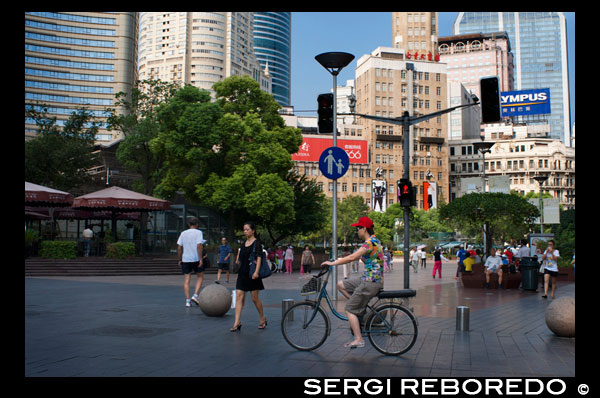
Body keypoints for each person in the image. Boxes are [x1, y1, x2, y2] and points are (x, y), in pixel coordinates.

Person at [320, 216, 384, 349]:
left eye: (358, 228)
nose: (357, 231)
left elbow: (352, 257)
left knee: (348, 309)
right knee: (340, 284)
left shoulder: (370, 242)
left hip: (370, 282)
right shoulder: (374, 241)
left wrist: (333, 263)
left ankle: (359, 339)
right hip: (368, 279)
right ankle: (358, 307)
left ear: (364, 229)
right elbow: (365, 258)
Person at [230, 222, 267, 332]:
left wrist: (256, 272)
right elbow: (241, 257)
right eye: (244, 229)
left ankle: (262, 318)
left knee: (254, 298)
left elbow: (259, 258)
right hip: (242, 273)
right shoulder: (243, 243)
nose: (245, 231)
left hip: (253, 274)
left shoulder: (257, 243)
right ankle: (237, 322)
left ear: (253, 230)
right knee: (239, 295)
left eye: (247, 229)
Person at [176, 217, 205, 307]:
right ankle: (195, 295)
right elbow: (199, 246)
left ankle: (187, 301)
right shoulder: (199, 232)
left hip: (185, 259)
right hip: (195, 258)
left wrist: (180, 259)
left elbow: (179, 247)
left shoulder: (183, 233)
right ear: (197, 224)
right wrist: (201, 259)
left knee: (187, 280)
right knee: (200, 277)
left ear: (189, 224)